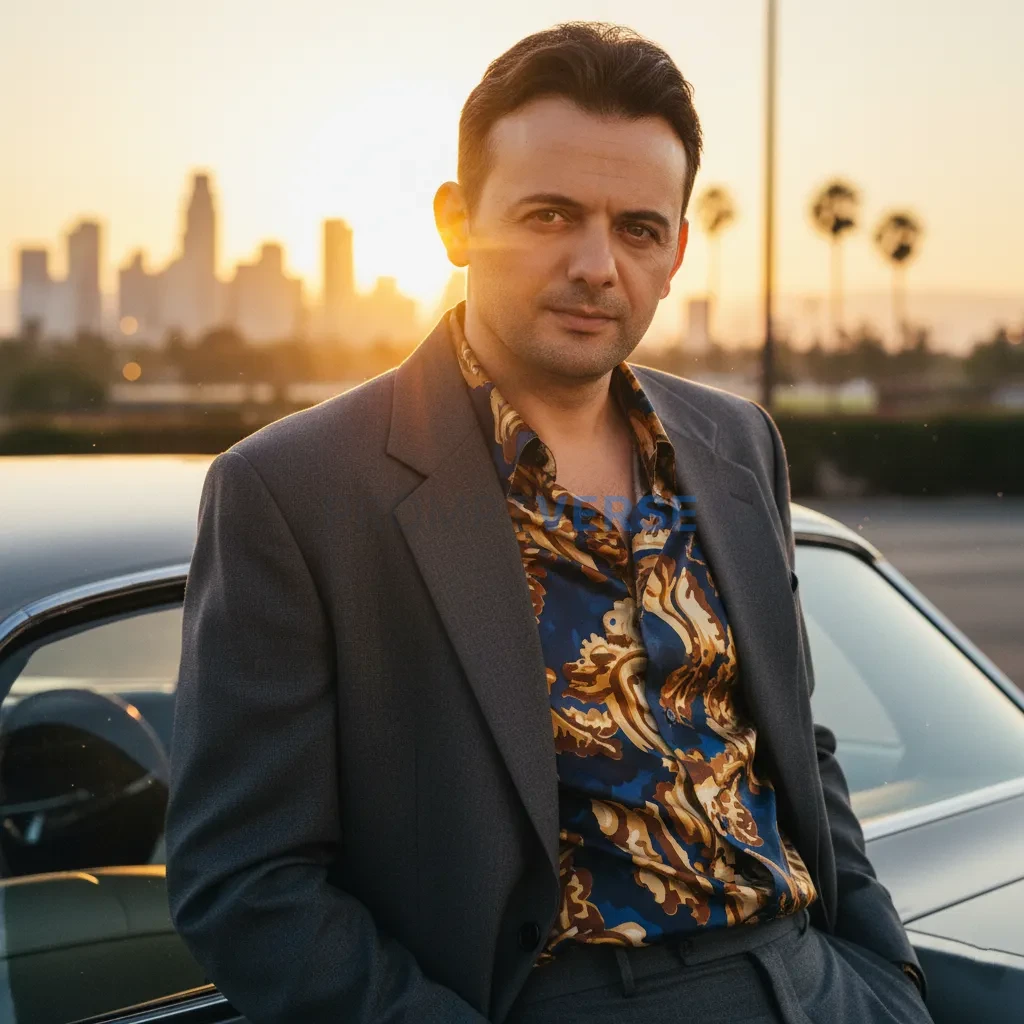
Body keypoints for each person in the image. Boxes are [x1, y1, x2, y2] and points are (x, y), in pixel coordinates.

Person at [166, 21, 933, 1024]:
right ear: (455, 223)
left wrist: (886, 978)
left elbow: (796, 737)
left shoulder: (737, 442)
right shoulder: (296, 489)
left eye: (637, 229)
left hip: (818, 984)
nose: (595, 264)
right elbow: (245, 877)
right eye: (549, 215)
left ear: (676, 250)